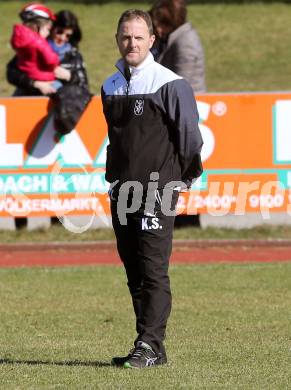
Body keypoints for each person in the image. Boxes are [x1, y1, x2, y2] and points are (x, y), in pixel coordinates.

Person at [101, 9, 203, 369]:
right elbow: (117, 140)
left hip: (157, 190)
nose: (132, 43)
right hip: (122, 192)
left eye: (139, 37)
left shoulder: (170, 84)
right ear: (117, 39)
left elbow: (190, 137)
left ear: (152, 41)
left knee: (153, 267)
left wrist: (184, 177)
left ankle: (148, 343)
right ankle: (151, 348)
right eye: (126, 36)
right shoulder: (109, 86)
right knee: (134, 271)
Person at [150, 0, 206, 93]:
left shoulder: (186, 42)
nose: (158, 29)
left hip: (187, 102)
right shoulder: (169, 37)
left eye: (162, 23)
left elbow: (181, 83)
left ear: (172, 22)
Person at [10, 3, 61, 95]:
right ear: (35, 27)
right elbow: (52, 60)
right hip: (46, 83)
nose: (49, 33)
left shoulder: (22, 43)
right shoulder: (40, 43)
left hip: (24, 90)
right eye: (47, 29)